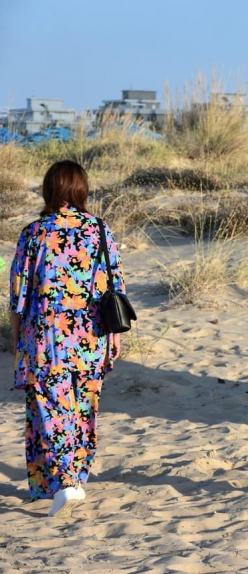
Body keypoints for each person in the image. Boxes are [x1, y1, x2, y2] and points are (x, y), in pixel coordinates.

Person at [8, 160, 125, 517]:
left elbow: (18, 294)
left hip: (46, 336)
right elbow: (115, 283)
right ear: (81, 189)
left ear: (49, 189)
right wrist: (115, 336)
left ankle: (66, 482)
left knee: (49, 408)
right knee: (82, 408)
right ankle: (58, 482)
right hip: (92, 334)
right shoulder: (100, 230)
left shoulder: (35, 233)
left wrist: (16, 338)